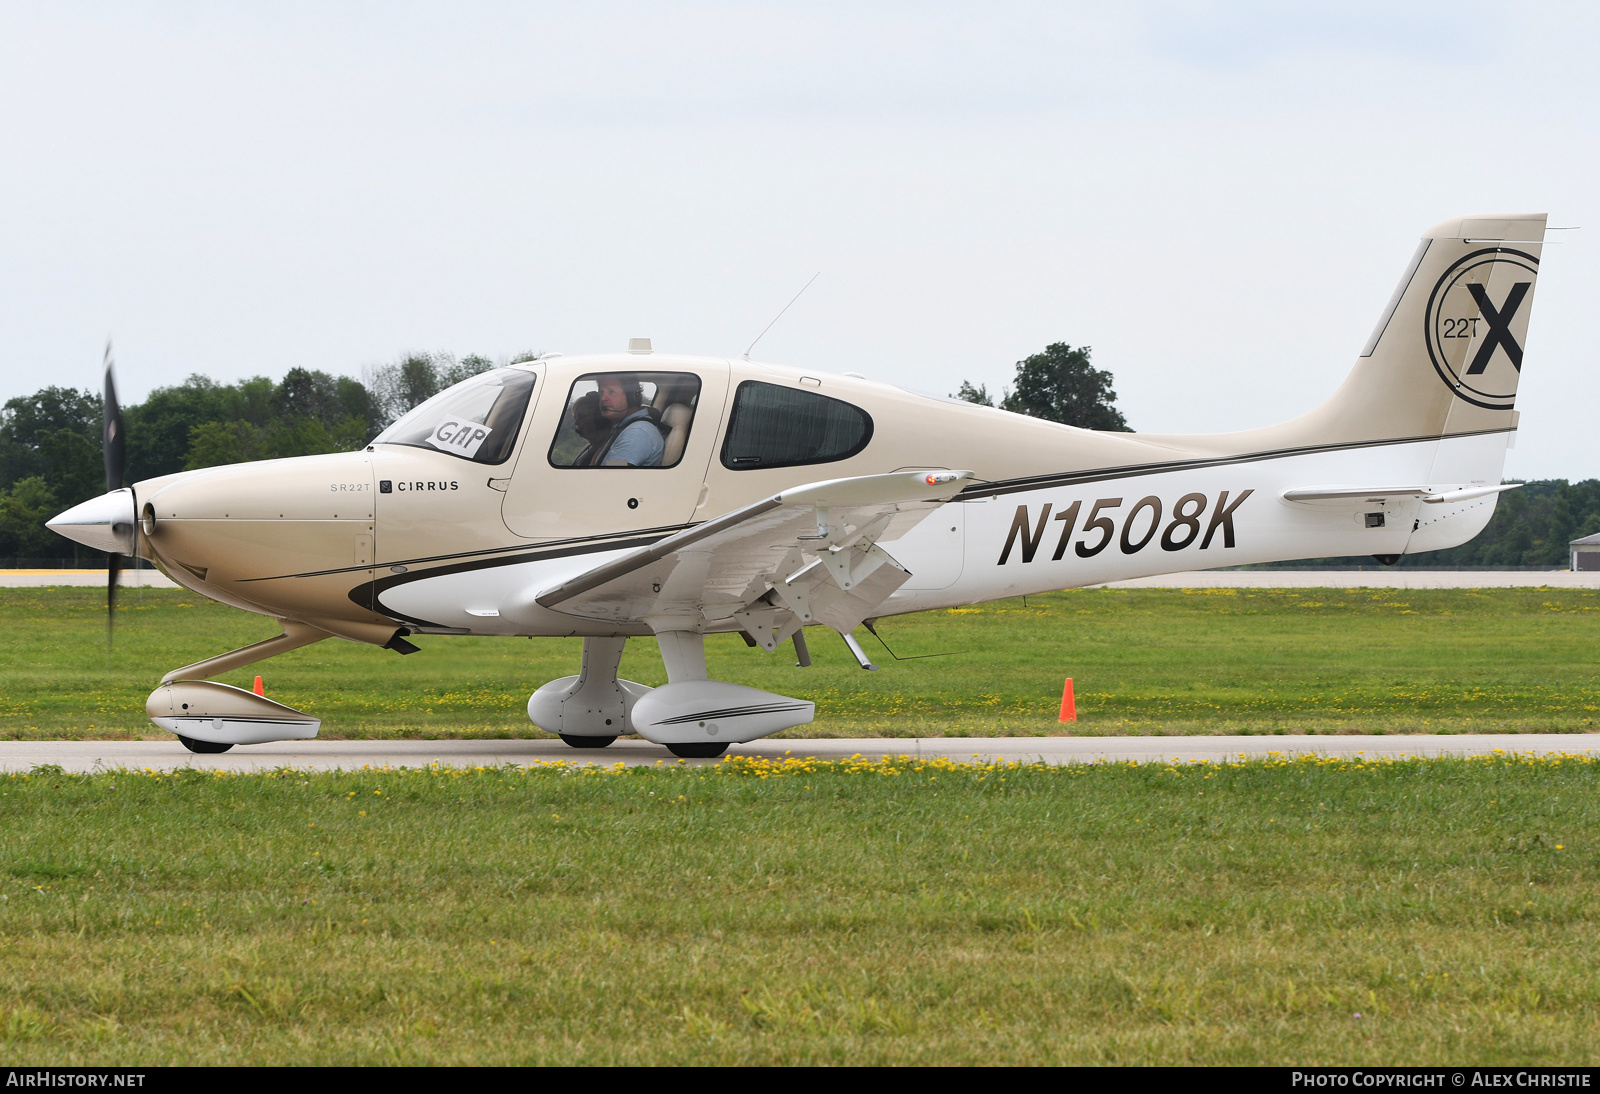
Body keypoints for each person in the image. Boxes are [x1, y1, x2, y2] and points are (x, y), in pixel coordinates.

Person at [590, 374, 664, 467]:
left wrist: (593, 463)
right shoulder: (623, 427)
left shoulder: (637, 432)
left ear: (632, 397)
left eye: (611, 392)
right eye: (601, 392)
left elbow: (612, 474)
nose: (603, 398)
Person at [569, 391, 610, 467]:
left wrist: (598, 464)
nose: (576, 423)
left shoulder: (612, 448)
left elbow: (625, 465)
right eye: (575, 418)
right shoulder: (591, 447)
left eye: (582, 417)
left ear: (600, 419)